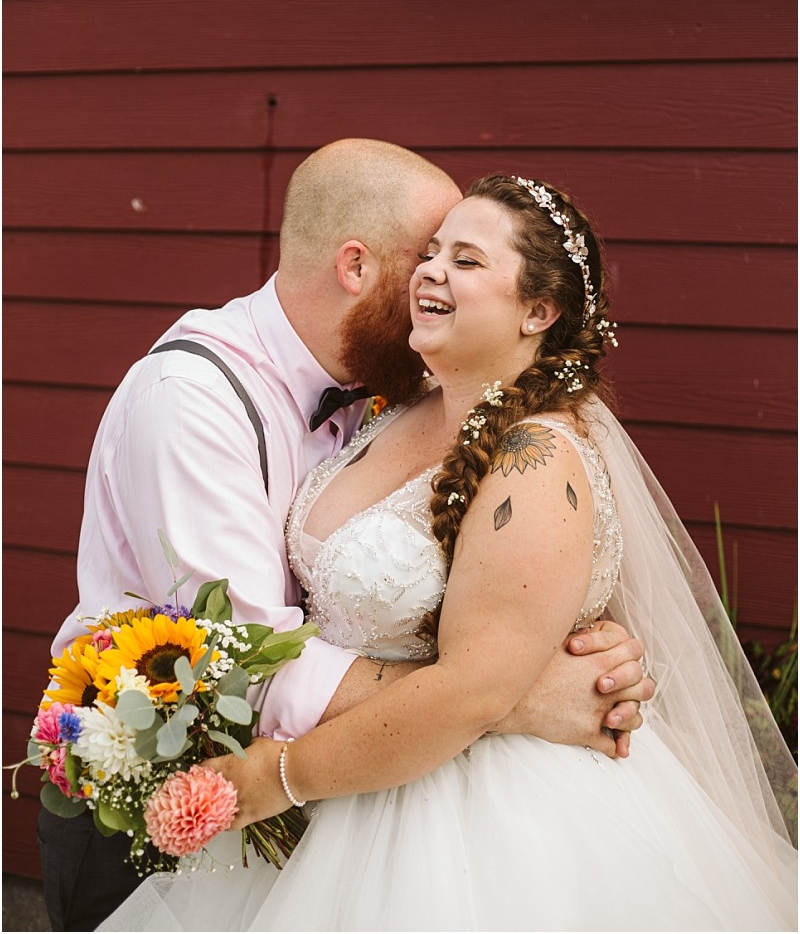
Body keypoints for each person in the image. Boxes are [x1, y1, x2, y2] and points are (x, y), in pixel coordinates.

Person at [99, 172, 797, 932]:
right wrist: (523, 696)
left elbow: (474, 690)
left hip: (485, 819)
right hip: (355, 784)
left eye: (466, 260)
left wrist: (277, 778)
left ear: (539, 310)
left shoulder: (537, 460)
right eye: (430, 252)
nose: (432, 270)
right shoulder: (395, 408)